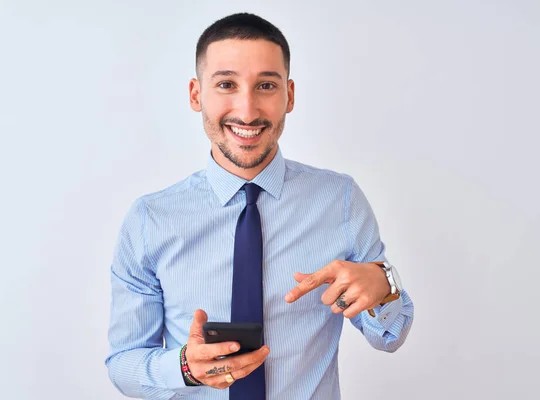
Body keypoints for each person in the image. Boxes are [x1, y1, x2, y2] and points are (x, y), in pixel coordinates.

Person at [106, 12, 414, 400]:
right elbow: (123, 364)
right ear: (196, 94)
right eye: (226, 84)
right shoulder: (150, 220)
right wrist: (184, 367)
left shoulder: (340, 201)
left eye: (266, 85)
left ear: (289, 95)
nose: (247, 111)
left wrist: (384, 285)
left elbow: (391, 336)